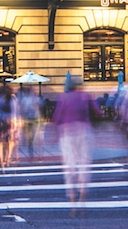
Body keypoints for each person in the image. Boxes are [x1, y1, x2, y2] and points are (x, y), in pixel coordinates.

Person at [51, 77, 101, 211]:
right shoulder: (87, 96)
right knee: (84, 162)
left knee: (69, 164)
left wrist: (54, 134)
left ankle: (71, 195)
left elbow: (57, 117)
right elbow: (98, 112)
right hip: (84, 130)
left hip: (67, 131)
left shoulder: (63, 97)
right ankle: (83, 188)